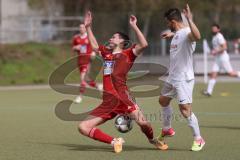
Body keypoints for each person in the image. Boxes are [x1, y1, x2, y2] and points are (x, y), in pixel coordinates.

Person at [77, 11, 168, 153]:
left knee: (144, 123)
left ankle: (152, 140)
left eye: (114, 37)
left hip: (123, 99)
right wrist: (88, 27)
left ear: (122, 41)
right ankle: (115, 141)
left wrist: (134, 26)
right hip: (107, 102)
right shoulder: (106, 53)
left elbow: (144, 44)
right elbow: (94, 46)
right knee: (83, 127)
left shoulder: (128, 54)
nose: (111, 39)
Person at [158, 4, 205, 151]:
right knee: (163, 101)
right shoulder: (179, 33)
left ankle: (199, 139)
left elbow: (197, 36)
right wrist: (172, 34)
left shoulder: (187, 32)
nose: (167, 25)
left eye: (168, 22)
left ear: (173, 21)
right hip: (173, 77)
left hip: (183, 78)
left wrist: (190, 20)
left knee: (184, 109)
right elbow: (180, 34)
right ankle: (167, 129)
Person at [202, 24, 240, 96]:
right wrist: (214, 51)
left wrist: (215, 51)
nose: (213, 30)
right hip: (217, 59)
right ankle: (209, 92)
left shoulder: (219, 36)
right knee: (213, 74)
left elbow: (225, 47)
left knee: (231, 73)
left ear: (218, 29)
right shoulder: (214, 37)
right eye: (212, 28)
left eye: (215, 29)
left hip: (223, 58)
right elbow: (218, 48)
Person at [72, 23, 102, 103]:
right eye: (80, 27)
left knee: (82, 79)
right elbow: (73, 47)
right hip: (80, 61)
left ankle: (80, 97)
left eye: (83, 27)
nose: (81, 29)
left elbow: (95, 46)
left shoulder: (89, 37)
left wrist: (93, 52)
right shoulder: (76, 38)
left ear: (85, 29)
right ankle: (98, 86)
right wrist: (76, 47)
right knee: (87, 80)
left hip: (88, 60)